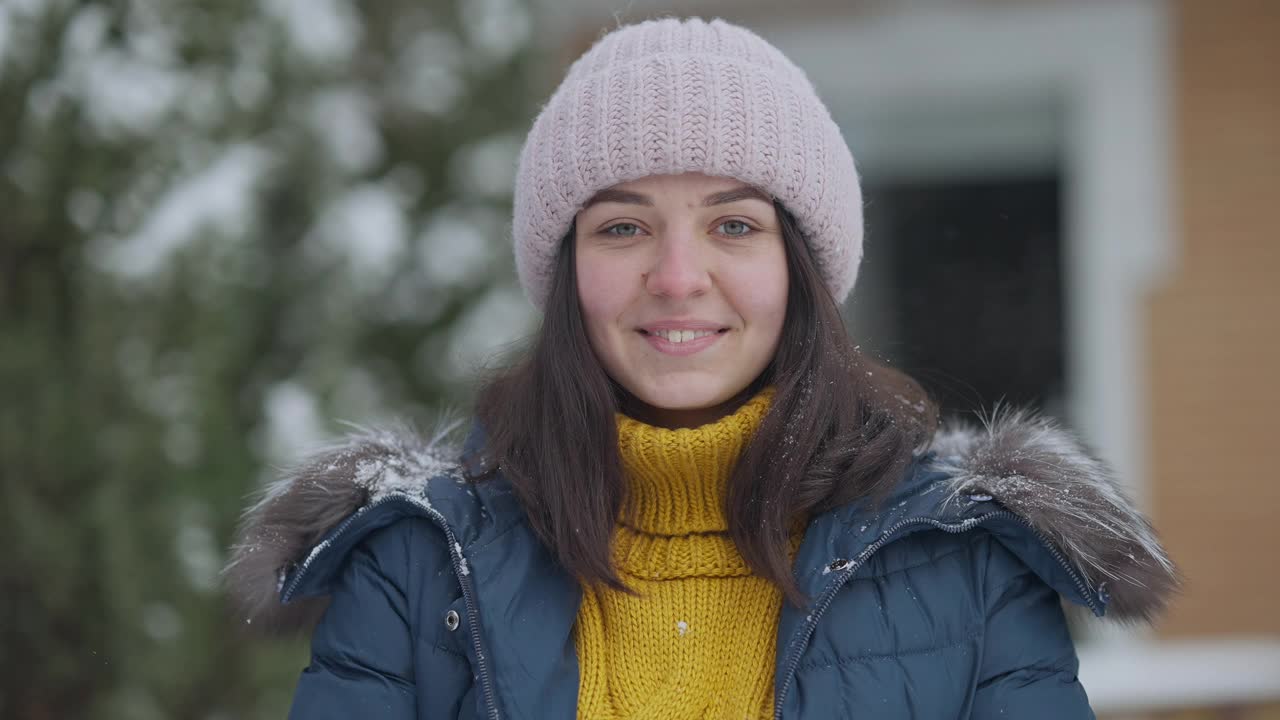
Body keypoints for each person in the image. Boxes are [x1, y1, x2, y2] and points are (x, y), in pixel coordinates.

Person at [224, 16, 1178, 719]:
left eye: (733, 225)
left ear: (802, 271)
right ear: (565, 275)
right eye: (624, 226)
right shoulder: (418, 560)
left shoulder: (963, 559)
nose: (679, 279)